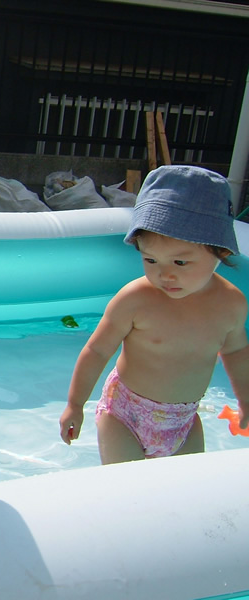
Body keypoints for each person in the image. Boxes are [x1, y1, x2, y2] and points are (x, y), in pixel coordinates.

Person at [59, 165, 249, 464]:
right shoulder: (135, 299)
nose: (164, 274)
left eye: (180, 262)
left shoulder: (230, 304)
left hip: (183, 421)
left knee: (185, 486)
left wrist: (245, 399)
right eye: (150, 259)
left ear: (221, 252)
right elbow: (97, 350)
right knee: (127, 483)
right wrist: (75, 404)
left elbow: (236, 352)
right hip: (125, 415)